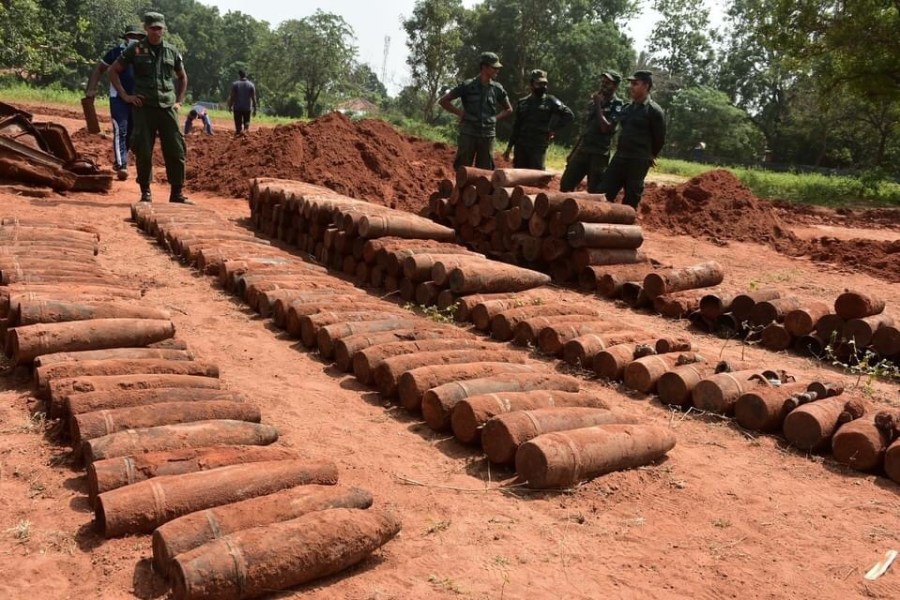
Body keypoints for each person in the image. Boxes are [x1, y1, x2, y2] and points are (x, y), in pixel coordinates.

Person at [109, 12, 189, 204]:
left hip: (167, 107)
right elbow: (113, 71)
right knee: (144, 150)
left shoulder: (171, 51)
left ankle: (177, 193)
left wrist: (179, 101)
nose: (156, 32)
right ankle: (145, 192)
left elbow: (182, 77)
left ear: (164, 29)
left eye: (159, 28)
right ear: (146, 28)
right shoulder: (136, 49)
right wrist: (126, 96)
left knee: (176, 149)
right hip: (144, 108)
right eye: (153, 28)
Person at [84, 25, 146, 181]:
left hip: (138, 98)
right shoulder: (115, 52)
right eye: (132, 36)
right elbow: (99, 69)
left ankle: (119, 161)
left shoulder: (144, 53)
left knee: (132, 132)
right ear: (125, 37)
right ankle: (122, 164)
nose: (135, 39)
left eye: (138, 37)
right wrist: (91, 89)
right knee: (120, 130)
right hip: (118, 97)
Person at [597, 70, 666, 208]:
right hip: (620, 156)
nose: (631, 87)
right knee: (603, 191)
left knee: (631, 197)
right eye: (631, 84)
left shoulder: (654, 111)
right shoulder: (627, 108)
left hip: (638, 160)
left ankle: (626, 221)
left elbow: (659, 138)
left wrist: (651, 155)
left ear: (646, 86)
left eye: (635, 84)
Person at [439, 52, 513, 170]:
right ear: (484, 67)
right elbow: (443, 101)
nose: (497, 70)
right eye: (494, 67)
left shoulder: (497, 88)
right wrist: (460, 113)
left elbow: (509, 109)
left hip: (487, 136)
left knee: (485, 171)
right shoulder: (467, 85)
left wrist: (494, 118)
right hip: (468, 133)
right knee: (462, 168)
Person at [559, 71, 624, 193]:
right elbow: (586, 129)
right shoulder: (593, 102)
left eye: (608, 83)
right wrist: (574, 152)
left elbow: (606, 128)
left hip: (598, 154)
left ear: (615, 86)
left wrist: (598, 105)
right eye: (603, 82)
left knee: (594, 190)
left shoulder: (617, 104)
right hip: (583, 149)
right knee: (566, 184)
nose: (603, 85)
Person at [503, 69, 574, 170]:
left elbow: (569, 115)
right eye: (539, 84)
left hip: (538, 147)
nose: (543, 87)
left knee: (537, 175)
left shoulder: (550, 101)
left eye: (545, 84)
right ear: (531, 85)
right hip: (521, 146)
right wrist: (509, 148)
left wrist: (553, 129)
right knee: (519, 174)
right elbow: (516, 127)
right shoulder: (522, 103)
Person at [227, 70, 258, 135]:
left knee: (238, 127)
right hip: (247, 108)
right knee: (246, 123)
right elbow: (253, 98)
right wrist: (255, 109)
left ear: (239, 75)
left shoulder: (235, 84)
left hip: (237, 108)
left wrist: (230, 106)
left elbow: (232, 96)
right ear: (246, 75)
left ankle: (238, 135)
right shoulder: (251, 85)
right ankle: (245, 135)